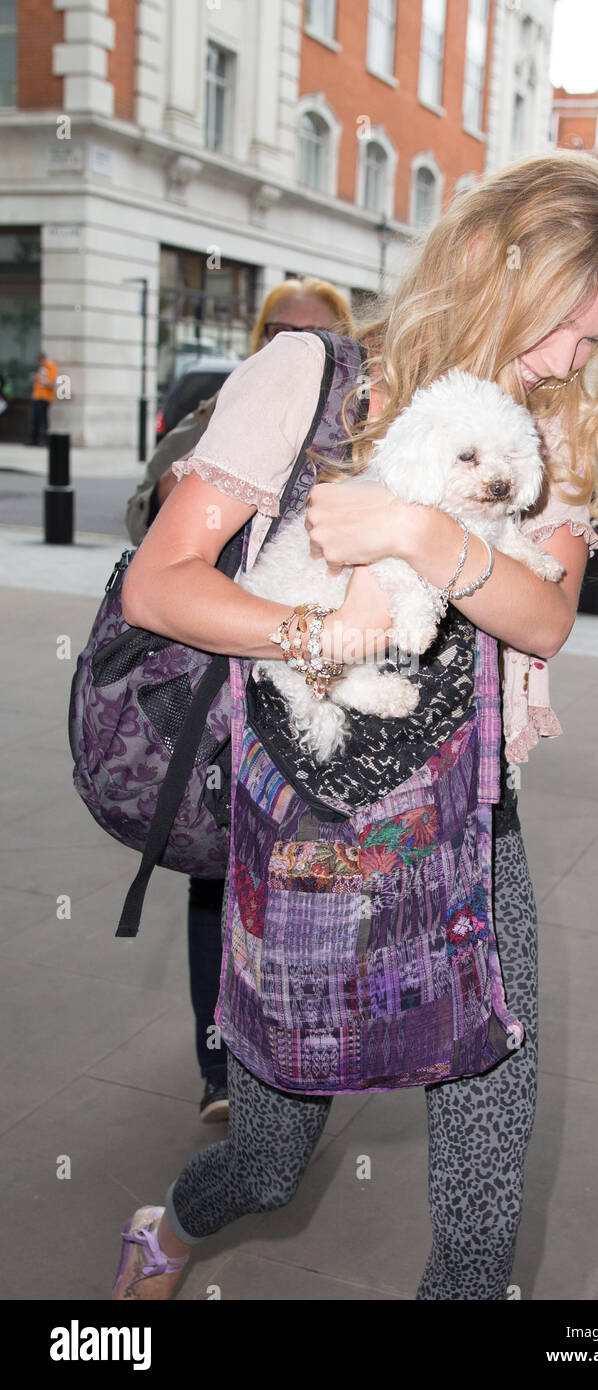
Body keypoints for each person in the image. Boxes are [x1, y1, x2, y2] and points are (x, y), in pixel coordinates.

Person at [110, 151, 598, 1300]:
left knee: (478, 1230)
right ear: (486, 263)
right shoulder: (309, 379)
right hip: (304, 837)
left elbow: (544, 614)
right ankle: (167, 1227)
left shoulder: (545, 439)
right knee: (269, 1163)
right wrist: (325, 636)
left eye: (596, 339)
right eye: (566, 323)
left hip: (472, 844)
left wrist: (427, 541)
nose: (573, 359)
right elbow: (161, 585)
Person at [124, 279, 354, 1123]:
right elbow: (149, 524)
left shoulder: (354, 418)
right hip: (216, 688)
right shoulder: (229, 404)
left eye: (317, 333)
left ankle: (299, 1059)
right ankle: (220, 1070)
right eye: (283, 330)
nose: (297, 343)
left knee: (305, 879)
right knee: (213, 876)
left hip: (304, 699)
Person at [29, 351, 57, 445]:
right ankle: (34, 440)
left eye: (40, 361)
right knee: (35, 420)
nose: (39, 364)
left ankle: (45, 440)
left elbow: (52, 383)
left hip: (45, 398)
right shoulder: (42, 368)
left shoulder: (51, 367)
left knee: (43, 420)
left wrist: (39, 379)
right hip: (37, 397)